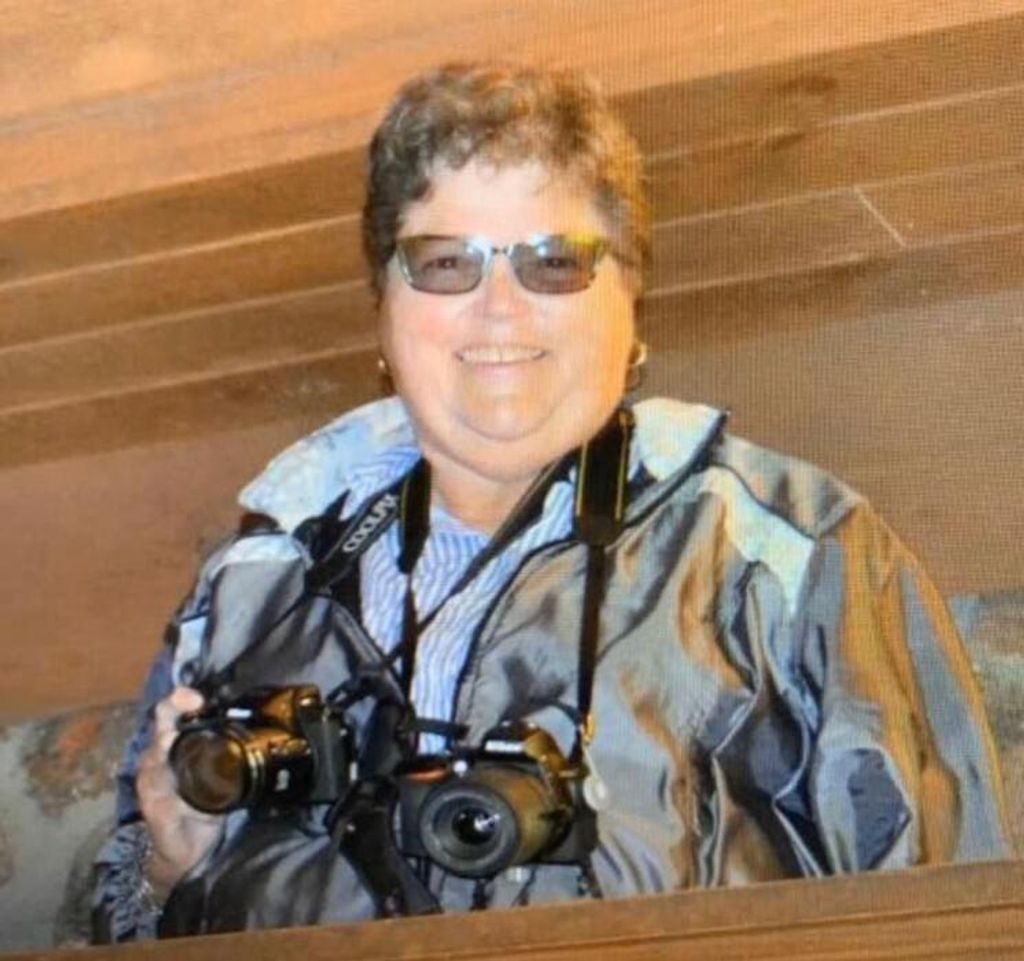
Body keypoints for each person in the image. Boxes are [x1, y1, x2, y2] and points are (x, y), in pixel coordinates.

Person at [91, 61, 1009, 941]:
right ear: (383, 307)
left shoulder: (793, 549)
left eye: (555, 261)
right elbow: (113, 916)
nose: (500, 307)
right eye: (445, 262)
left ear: (630, 299)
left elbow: (949, 916)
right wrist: (171, 868)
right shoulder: (256, 577)